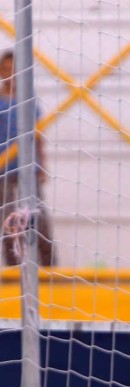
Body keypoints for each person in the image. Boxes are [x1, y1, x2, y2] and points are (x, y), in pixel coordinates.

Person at [0, 50, 57, 266]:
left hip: (28, 167)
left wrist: (41, 163)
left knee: (38, 217)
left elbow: (38, 135)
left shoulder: (29, 100)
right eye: (6, 69)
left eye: (14, 69)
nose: (10, 73)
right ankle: (14, 268)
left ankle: (50, 266)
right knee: (8, 219)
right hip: (3, 168)